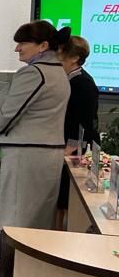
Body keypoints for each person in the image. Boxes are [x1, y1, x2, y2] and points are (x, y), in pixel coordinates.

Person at [0, 22, 71, 277]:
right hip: (48, 154)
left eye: (22, 43)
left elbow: (10, 111)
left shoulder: (33, 73)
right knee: (36, 218)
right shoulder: (59, 73)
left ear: (43, 46)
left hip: (26, 154)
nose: (17, 49)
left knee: (13, 216)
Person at [55, 36, 99, 229]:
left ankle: (60, 229)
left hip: (75, 147)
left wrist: (70, 148)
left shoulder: (82, 83)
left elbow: (83, 121)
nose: (57, 57)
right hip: (67, 142)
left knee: (65, 193)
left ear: (74, 58)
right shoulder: (69, 80)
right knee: (60, 194)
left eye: (61, 53)